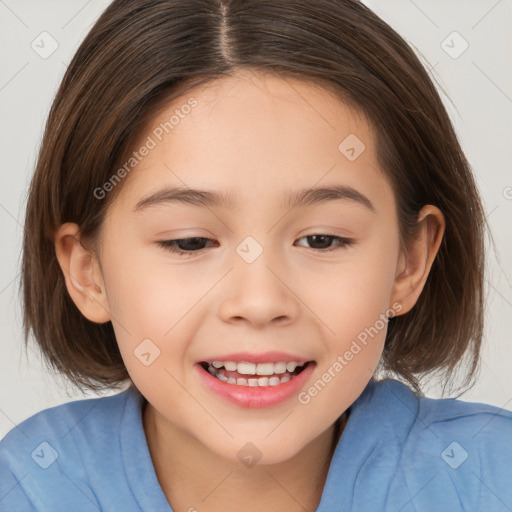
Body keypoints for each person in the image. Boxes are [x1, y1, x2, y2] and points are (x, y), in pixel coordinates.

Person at [1, 0, 510, 510]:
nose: (261, 301)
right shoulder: (26, 488)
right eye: (189, 242)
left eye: (321, 240)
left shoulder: (489, 476)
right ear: (88, 272)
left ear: (409, 262)